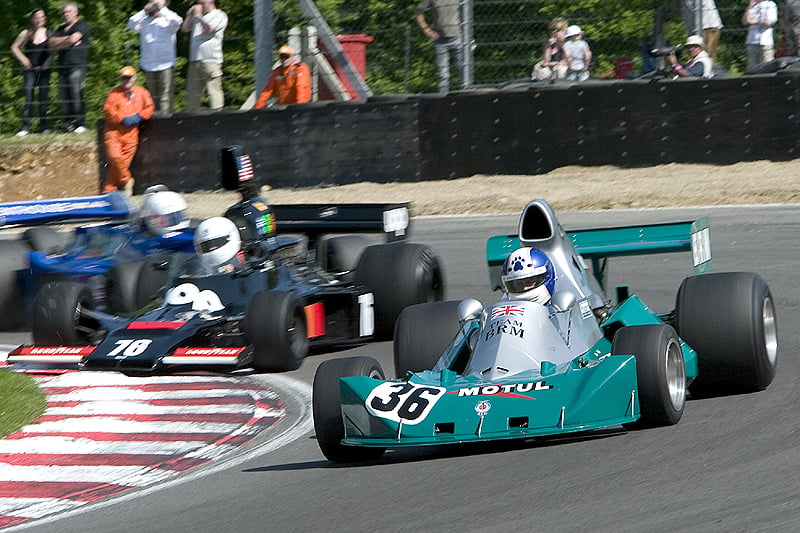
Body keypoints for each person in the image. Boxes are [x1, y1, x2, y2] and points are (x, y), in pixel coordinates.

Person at [102, 66, 155, 194]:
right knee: (115, 157)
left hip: (131, 133)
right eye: (124, 78)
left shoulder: (142, 93)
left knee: (122, 164)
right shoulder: (114, 94)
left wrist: (139, 116)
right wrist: (121, 119)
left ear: (134, 78)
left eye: (129, 78)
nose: (127, 81)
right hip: (114, 131)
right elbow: (108, 112)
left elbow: (150, 108)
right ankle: (127, 180)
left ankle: (109, 189)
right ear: (121, 79)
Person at [127, 0, 183, 116]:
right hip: (149, 63)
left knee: (165, 95)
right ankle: (155, 119)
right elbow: (131, 24)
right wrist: (144, 11)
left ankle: (166, 119)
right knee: (152, 96)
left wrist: (162, 9)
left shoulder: (168, 18)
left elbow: (178, 22)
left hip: (165, 63)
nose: (154, 4)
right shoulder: (144, 20)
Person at [48, 2, 90, 133]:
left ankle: (80, 123)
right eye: (64, 13)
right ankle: (68, 122)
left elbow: (74, 39)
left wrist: (62, 42)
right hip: (62, 66)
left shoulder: (82, 25)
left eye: (69, 12)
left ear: (75, 12)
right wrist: (67, 40)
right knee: (64, 95)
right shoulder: (61, 28)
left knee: (76, 92)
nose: (66, 15)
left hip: (77, 65)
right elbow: (51, 42)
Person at [10, 9, 52, 136]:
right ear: (32, 19)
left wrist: (48, 61)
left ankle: (44, 127)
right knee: (28, 97)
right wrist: (23, 58)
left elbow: (55, 50)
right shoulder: (26, 33)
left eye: (42, 17)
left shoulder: (49, 33)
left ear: (44, 18)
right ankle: (25, 127)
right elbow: (14, 47)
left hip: (44, 70)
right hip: (29, 70)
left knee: (43, 98)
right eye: (37, 17)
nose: (39, 19)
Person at [181, 0, 228, 111]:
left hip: (211, 60)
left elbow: (209, 30)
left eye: (202, 3)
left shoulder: (220, 15)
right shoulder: (197, 17)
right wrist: (189, 15)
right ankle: (193, 115)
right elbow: (185, 29)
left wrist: (199, 17)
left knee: (214, 89)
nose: (199, 5)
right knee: (193, 91)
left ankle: (217, 115)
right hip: (195, 59)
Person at [415, 0, 464, 93]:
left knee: (464, 69)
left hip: (458, 37)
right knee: (443, 74)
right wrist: (426, 30)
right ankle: (443, 98)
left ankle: (468, 96)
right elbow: (418, 12)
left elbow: (466, 13)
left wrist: (469, 38)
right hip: (441, 40)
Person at [742, 0, 778, 72]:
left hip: (765, 41)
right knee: (752, 68)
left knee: (767, 67)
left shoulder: (770, 4)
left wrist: (754, 22)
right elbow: (744, 21)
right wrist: (749, 6)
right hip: (752, 40)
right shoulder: (753, 6)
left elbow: (769, 22)